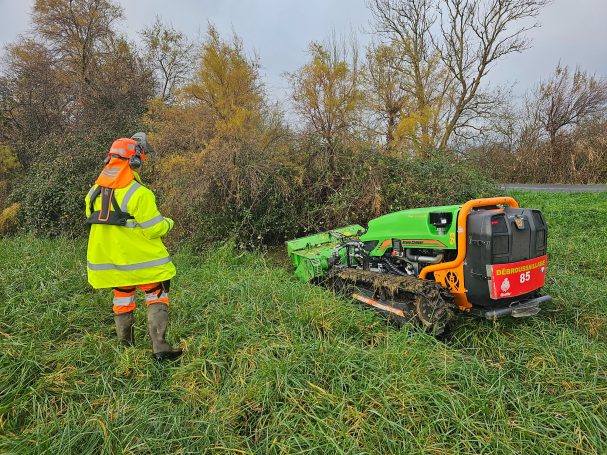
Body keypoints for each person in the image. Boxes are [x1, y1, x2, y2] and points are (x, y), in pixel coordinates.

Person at [85, 133, 182, 361]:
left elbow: (94, 221)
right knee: (156, 296)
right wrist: (169, 222)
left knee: (122, 300)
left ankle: (126, 348)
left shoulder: (93, 193)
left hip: (113, 267)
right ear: (134, 162)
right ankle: (160, 349)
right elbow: (153, 228)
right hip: (143, 264)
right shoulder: (140, 193)